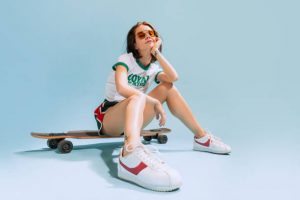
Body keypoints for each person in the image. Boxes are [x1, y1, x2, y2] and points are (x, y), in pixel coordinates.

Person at [94, 21, 231, 191]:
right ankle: (130, 154)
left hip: (134, 116)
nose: (148, 37)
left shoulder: (152, 68)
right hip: (111, 117)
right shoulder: (125, 60)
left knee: (169, 88)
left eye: (151, 34)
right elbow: (122, 88)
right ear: (134, 44)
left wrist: (156, 52)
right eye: (142, 35)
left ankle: (202, 138)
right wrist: (153, 101)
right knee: (136, 98)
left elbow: (173, 77)